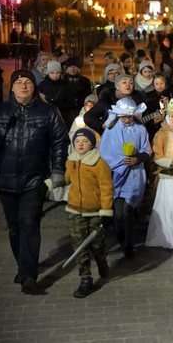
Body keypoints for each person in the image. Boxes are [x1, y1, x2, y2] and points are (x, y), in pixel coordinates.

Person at [0, 70, 68, 294]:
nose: (23, 86)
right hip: (6, 179)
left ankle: (29, 275)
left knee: (29, 224)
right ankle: (23, 265)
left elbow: (60, 142)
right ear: (11, 88)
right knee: (14, 228)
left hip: (34, 178)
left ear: (34, 87)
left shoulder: (48, 112)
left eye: (27, 82)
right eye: (18, 82)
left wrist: (57, 170)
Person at [99, 97, 152, 258]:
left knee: (128, 211)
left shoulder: (140, 129)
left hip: (134, 175)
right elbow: (104, 151)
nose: (127, 119)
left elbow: (147, 150)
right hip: (115, 174)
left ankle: (128, 245)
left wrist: (137, 159)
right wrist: (120, 162)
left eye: (129, 116)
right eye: (124, 117)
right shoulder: (111, 130)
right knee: (119, 212)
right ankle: (121, 238)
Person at [65, 128, 113, 298]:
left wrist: (106, 210)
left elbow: (106, 187)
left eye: (85, 141)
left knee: (96, 245)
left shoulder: (99, 163)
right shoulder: (71, 160)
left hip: (94, 212)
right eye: (77, 142)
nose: (81, 144)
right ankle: (86, 278)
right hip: (74, 210)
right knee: (79, 245)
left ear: (92, 144)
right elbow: (67, 179)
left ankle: (102, 262)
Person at [145, 99, 173, 252]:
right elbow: (157, 156)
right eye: (172, 116)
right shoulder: (161, 134)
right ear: (168, 117)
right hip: (168, 179)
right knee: (172, 209)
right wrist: (172, 162)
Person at [63, 58, 92, 127]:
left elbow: (88, 95)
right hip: (66, 112)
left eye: (75, 67)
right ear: (67, 69)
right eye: (70, 67)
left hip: (81, 110)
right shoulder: (62, 81)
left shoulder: (85, 81)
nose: (73, 69)